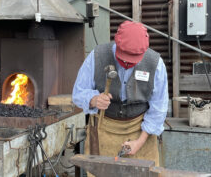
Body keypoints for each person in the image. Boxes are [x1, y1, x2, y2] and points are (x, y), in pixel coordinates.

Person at [72, 20, 168, 166]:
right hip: (104, 130)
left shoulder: (156, 63)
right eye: (124, 57)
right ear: (116, 43)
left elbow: (159, 108)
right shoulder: (97, 56)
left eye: (133, 60)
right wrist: (93, 99)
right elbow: (78, 93)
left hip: (140, 131)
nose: (128, 64)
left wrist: (140, 142)